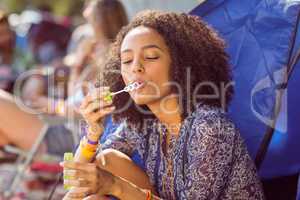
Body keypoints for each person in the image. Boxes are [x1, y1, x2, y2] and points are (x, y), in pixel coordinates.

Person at [61, 10, 265, 200]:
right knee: (105, 161)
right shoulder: (144, 122)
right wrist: (93, 133)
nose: (136, 68)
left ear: (181, 63)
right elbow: (76, 180)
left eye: (150, 57)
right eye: (127, 60)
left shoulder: (209, 128)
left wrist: (116, 185)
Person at [0, 0, 128, 156]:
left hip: (69, 136)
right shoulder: (90, 52)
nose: (84, 13)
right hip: (60, 126)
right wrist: (77, 66)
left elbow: (89, 111)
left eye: (89, 13)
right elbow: (74, 97)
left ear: (100, 20)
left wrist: (43, 103)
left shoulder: (114, 62)